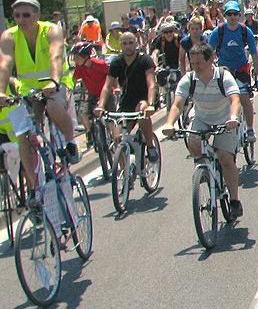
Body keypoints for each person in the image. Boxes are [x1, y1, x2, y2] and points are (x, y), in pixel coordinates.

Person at [162, 42, 244, 218]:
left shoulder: (224, 77)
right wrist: (169, 123)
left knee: (225, 158)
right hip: (201, 118)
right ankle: (205, 169)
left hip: (225, 119)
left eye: (199, 63)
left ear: (211, 61)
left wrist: (233, 119)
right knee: (193, 140)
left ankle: (235, 200)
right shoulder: (189, 80)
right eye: (192, 64)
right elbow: (177, 104)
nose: (196, 67)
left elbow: (235, 101)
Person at [0, 0, 80, 170]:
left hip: (57, 83)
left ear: (37, 16)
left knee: (53, 108)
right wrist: (1, 92)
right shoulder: (9, 36)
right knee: (23, 136)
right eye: (16, 15)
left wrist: (53, 82)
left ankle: (71, 142)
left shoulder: (51, 30)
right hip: (29, 90)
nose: (20, 20)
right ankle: (35, 190)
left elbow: (56, 56)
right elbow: (5, 64)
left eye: (26, 15)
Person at [94, 32, 160, 162]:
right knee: (117, 138)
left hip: (144, 98)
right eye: (124, 43)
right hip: (126, 102)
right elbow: (107, 86)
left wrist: (151, 104)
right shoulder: (117, 62)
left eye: (131, 43)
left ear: (136, 43)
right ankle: (125, 176)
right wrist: (101, 105)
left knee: (142, 109)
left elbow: (151, 84)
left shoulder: (144, 60)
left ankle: (150, 145)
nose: (128, 46)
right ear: (121, 45)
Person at [209, 0, 258, 144]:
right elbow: (208, 53)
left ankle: (250, 128)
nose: (232, 17)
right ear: (225, 16)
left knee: (244, 96)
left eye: (235, 14)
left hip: (241, 67)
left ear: (239, 15)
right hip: (224, 69)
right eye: (229, 14)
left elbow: (255, 56)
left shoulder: (245, 31)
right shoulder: (218, 31)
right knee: (223, 98)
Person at [70, 42, 113, 150]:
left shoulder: (100, 64)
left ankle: (114, 138)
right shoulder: (79, 67)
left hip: (106, 94)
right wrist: (69, 92)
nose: (75, 60)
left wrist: (116, 88)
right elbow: (73, 81)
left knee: (109, 119)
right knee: (84, 113)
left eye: (76, 57)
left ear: (85, 57)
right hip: (92, 94)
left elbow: (112, 75)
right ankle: (89, 133)